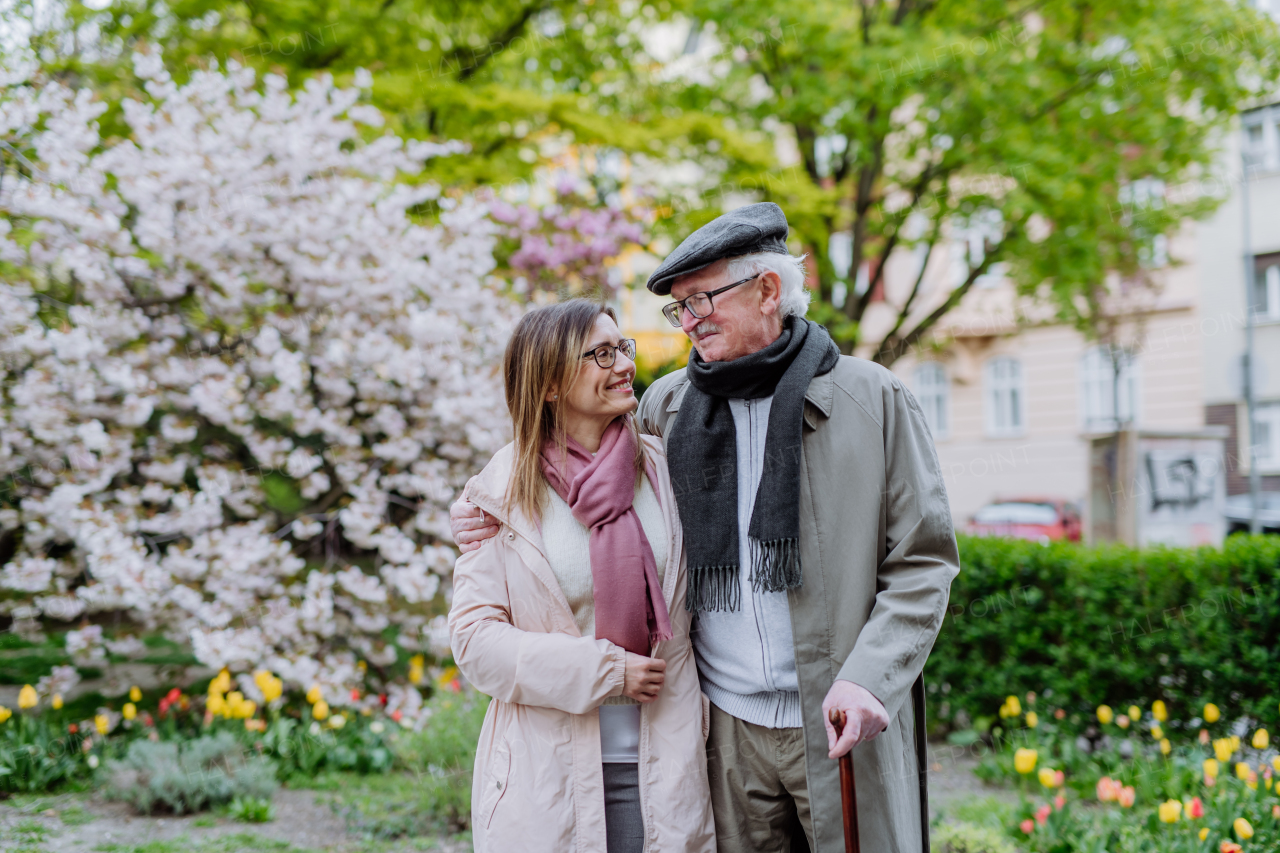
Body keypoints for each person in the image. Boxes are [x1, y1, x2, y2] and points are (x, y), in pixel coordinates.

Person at [453, 203, 960, 853]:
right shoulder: (669, 407)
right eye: (678, 308)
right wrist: (476, 509)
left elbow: (924, 559)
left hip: (837, 720)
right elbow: (567, 471)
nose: (687, 321)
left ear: (768, 290)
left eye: (701, 301)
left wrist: (870, 675)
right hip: (721, 732)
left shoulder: (873, 400)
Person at [448, 299, 715, 853]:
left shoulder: (666, 471)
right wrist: (605, 670)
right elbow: (475, 642)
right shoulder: (501, 492)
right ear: (548, 383)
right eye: (600, 353)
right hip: (549, 779)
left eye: (623, 348)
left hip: (668, 764)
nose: (623, 364)